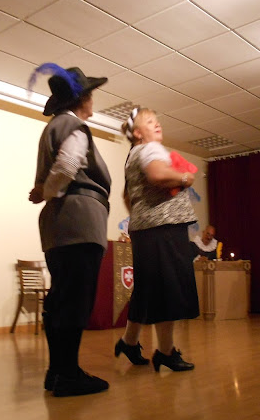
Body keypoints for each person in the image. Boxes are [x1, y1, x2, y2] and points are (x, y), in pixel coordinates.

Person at [28, 64, 111, 397]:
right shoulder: (74, 126)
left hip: (58, 224)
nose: (93, 101)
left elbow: (56, 172)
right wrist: (48, 190)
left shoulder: (52, 127)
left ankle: (57, 371)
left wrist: (44, 191)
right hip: (79, 220)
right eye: (91, 95)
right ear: (83, 98)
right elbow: (67, 166)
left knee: (61, 297)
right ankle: (68, 374)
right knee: (75, 299)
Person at [114, 106, 199, 372]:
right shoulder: (151, 149)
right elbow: (157, 175)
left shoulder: (132, 155)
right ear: (138, 133)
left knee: (147, 289)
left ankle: (129, 342)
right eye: (150, 122)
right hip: (163, 228)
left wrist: (142, 217)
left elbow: (127, 197)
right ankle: (165, 352)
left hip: (146, 228)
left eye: (156, 120)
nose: (157, 124)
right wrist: (185, 177)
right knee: (167, 289)